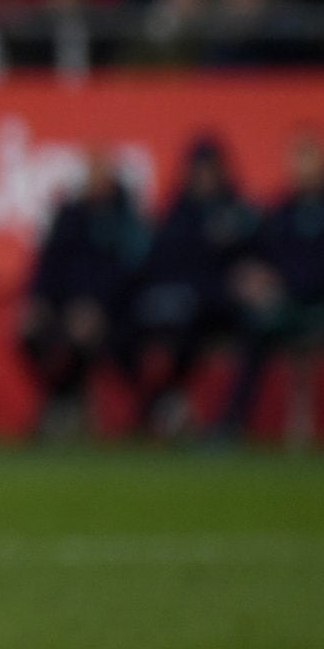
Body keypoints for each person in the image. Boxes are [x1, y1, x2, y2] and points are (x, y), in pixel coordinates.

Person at [215, 128, 324, 446]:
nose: (300, 168)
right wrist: (250, 275)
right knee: (256, 329)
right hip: (286, 308)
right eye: (296, 160)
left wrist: (286, 284)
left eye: (308, 159)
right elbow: (256, 250)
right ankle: (230, 424)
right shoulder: (279, 210)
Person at [121, 135, 257, 438]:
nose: (203, 177)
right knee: (121, 331)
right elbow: (154, 263)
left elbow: (250, 264)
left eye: (209, 170)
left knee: (201, 329)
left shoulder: (239, 212)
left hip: (216, 307)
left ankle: (219, 418)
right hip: (174, 303)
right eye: (198, 170)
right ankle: (156, 404)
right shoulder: (174, 213)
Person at [17, 151, 146, 439]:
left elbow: (130, 273)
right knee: (29, 333)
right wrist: (38, 302)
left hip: (113, 313)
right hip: (64, 309)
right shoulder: (68, 216)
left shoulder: (127, 220)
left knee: (83, 338)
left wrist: (98, 306)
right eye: (91, 174)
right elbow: (48, 266)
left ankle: (62, 406)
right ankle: (61, 398)